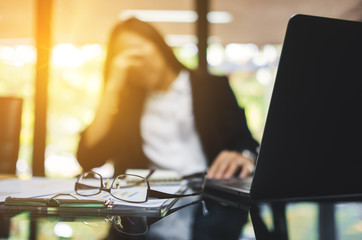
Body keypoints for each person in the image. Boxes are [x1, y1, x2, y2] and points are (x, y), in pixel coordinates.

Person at [77, 17, 259, 239]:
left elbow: (245, 142)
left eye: (138, 49)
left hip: (208, 203)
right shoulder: (128, 108)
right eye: (124, 57)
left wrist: (243, 156)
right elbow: (88, 156)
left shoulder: (211, 87)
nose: (136, 62)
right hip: (142, 209)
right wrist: (112, 87)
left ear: (159, 46)